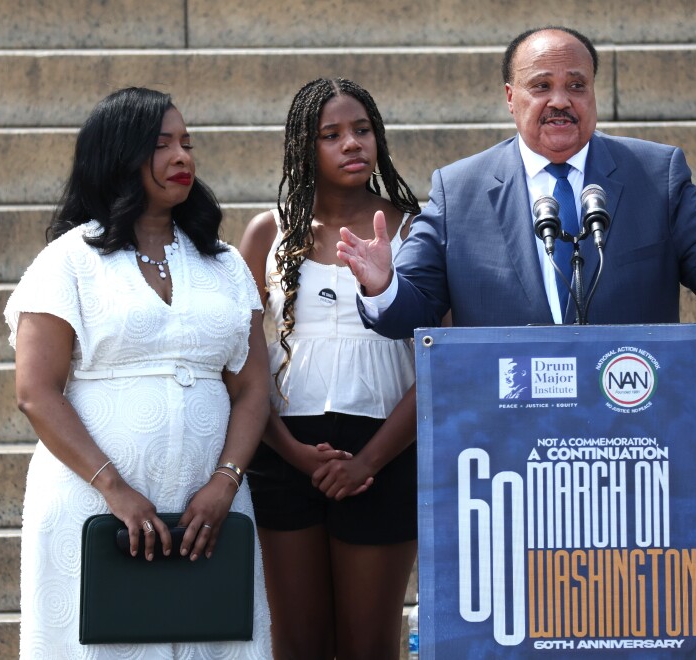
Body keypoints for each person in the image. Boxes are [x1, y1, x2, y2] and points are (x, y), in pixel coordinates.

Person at [5, 87, 273, 658]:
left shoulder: (224, 263)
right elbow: (35, 391)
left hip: (212, 508)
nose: (183, 157)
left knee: (214, 639)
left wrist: (225, 482)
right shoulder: (68, 260)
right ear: (120, 154)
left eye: (187, 144)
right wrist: (116, 491)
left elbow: (252, 387)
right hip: (91, 501)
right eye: (162, 144)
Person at [336, 26, 696, 333]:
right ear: (511, 97)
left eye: (577, 86)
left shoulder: (655, 173)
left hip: (628, 423)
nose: (560, 101)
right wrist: (382, 286)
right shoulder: (458, 189)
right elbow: (412, 313)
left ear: (594, 93)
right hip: (506, 433)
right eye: (541, 86)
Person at [239, 78, 421, 659]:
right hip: (285, 449)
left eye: (362, 130)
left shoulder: (416, 228)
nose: (352, 144)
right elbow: (242, 367)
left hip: (384, 450)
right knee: (298, 643)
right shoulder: (267, 232)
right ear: (303, 146)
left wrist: (368, 460)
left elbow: (441, 362)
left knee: (369, 644)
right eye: (332, 134)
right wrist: (291, 452)